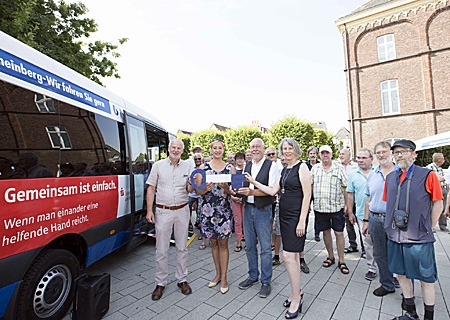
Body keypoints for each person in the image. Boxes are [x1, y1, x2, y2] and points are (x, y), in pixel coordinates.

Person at [246, 138, 311, 318]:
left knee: (288, 256)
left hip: (296, 217)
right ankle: (295, 292)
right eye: (284, 149)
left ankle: (297, 299)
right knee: (293, 258)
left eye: (290, 148)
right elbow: (272, 191)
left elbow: (307, 196)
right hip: (284, 215)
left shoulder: (302, 167)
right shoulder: (284, 169)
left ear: (296, 149)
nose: (287, 151)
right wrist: (253, 182)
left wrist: (302, 220)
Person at [384, 140, 443, 320]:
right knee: (401, 275)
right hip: (396, 236)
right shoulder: (390, 178)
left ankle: (429, 317)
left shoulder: (428, 175)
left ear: (414, 154)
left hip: (419, 238)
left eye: (403, 151)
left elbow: (438, 203)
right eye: (396, 153)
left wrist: (428, 227)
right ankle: (411, 313)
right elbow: (389, 204)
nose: (399, 155)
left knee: (426, 279)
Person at [146, 139, 194, 300]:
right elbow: (151, 188)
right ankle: (160, 282)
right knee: (161, 249)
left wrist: (196, 184)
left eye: (179, 148)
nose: (175, 150)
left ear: (182, 150)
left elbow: (190, 187)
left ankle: (182, 279)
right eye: (173, 147)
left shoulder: (188, 166)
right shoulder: (158, 166)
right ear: (168, 148)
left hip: (182, 210)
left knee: (182, 248)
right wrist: (149, 210)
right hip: (163, 211)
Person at [237, 138, 278, 298]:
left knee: (266, 247)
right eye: (252, 147)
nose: (255, 149)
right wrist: (236, 190)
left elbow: (271, 190)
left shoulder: (271, 165)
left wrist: (252, 192)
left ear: (263, 148)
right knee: (250, 246)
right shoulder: (247, 165)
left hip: (263, 210)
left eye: (258, 147)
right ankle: (253, 276)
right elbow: (244, 188)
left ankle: (266, 281)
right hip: (248, 209)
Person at [195, 138, 234, 294]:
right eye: (215, 148)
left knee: (223, 245)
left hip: (224, 211)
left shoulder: (230, 168)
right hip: (208, 211)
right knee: (214, 244)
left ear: (223, 149)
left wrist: (226, 188)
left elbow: (233, 193)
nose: (217, 150)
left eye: (220, 148)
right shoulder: (203, 168)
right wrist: (206, 188)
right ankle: (217, 274)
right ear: (210, 150)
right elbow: (197, 192)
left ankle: (224, 277)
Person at [361, 141, 399, 297]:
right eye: (378, 152)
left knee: (398, 251)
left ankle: (400, 278)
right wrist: (365, 221)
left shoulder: (400, 172)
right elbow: (368, 199)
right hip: (375, 218)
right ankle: (387, 283)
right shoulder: (373, 173)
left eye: (384, 151)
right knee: (380, 253)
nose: (381, 155)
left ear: (390, 152)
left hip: (395, 220)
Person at [311, 145, 349, 274]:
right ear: (319, 155)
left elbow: (345, 187)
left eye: (327, 153)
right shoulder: (315, 169)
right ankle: (331, 256)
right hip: (320, 208)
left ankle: (342, 260)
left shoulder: (339, 168)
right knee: (325, 232)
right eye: (322, 153)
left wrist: (347, 205)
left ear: (331, 154)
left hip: (336, 207)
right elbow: (310, 187)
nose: (325, 155)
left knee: (339, 233)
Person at [346, 148, 377, 281]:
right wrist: (350, 212)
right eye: (358, 158)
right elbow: (350, 194)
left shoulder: (379, 171)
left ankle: (392, 272)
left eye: (363, 158)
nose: (360, 160)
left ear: (371, 159)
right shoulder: (353, 174)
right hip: (360, 214)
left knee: (385, 243)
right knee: (367, 242)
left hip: (379, 213)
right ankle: (372, 268)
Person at [339, 148, 362, 256]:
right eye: (340, 154)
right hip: (344, 200)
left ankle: (365, 248)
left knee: (360, 223)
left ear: (349, 155)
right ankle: (353, 245)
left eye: (343, 154)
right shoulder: (338, 167)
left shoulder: (355, 167)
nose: (341, 155)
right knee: (348, 224)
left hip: (356, 199)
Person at [426, 153, 449, 232]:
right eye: (442, 158)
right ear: (439, 159)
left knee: (443, 207)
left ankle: (443, 225)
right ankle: (431, 225)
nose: (444, 160)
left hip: (443, 188)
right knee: (432, 207)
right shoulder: (430, 167)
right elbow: (431, 178)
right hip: (434, 190)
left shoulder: (440, 168)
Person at [231, 151, 246, 253]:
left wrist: (244, 198)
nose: (240, 160)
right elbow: (229, 186)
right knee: (237, 221)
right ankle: (239, 242)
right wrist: (232, 197)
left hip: (245, 200)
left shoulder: (247, 170)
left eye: (241, 158)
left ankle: (247, 241)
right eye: (238, 158)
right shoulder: (233, 171)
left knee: (246, 222)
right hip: (235, 199)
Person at [306, 146, 321, 242]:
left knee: (318, 214)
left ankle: (317, 233)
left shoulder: (320, 165)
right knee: (305, 211)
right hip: (307, 191)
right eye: (311, 153)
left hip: (317, 191)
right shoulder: (305, 166)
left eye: (314, 153)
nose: (312, 155)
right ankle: (303, 231)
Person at [188, 153, 203, 232]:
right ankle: (189, 223)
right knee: (188, 208)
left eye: (199, 159)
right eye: (196, 159)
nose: (197, 160)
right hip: (192, 193)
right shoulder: (191, 168)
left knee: (200, 210)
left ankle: (199, 223)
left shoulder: (204, 168)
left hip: (201, 193)